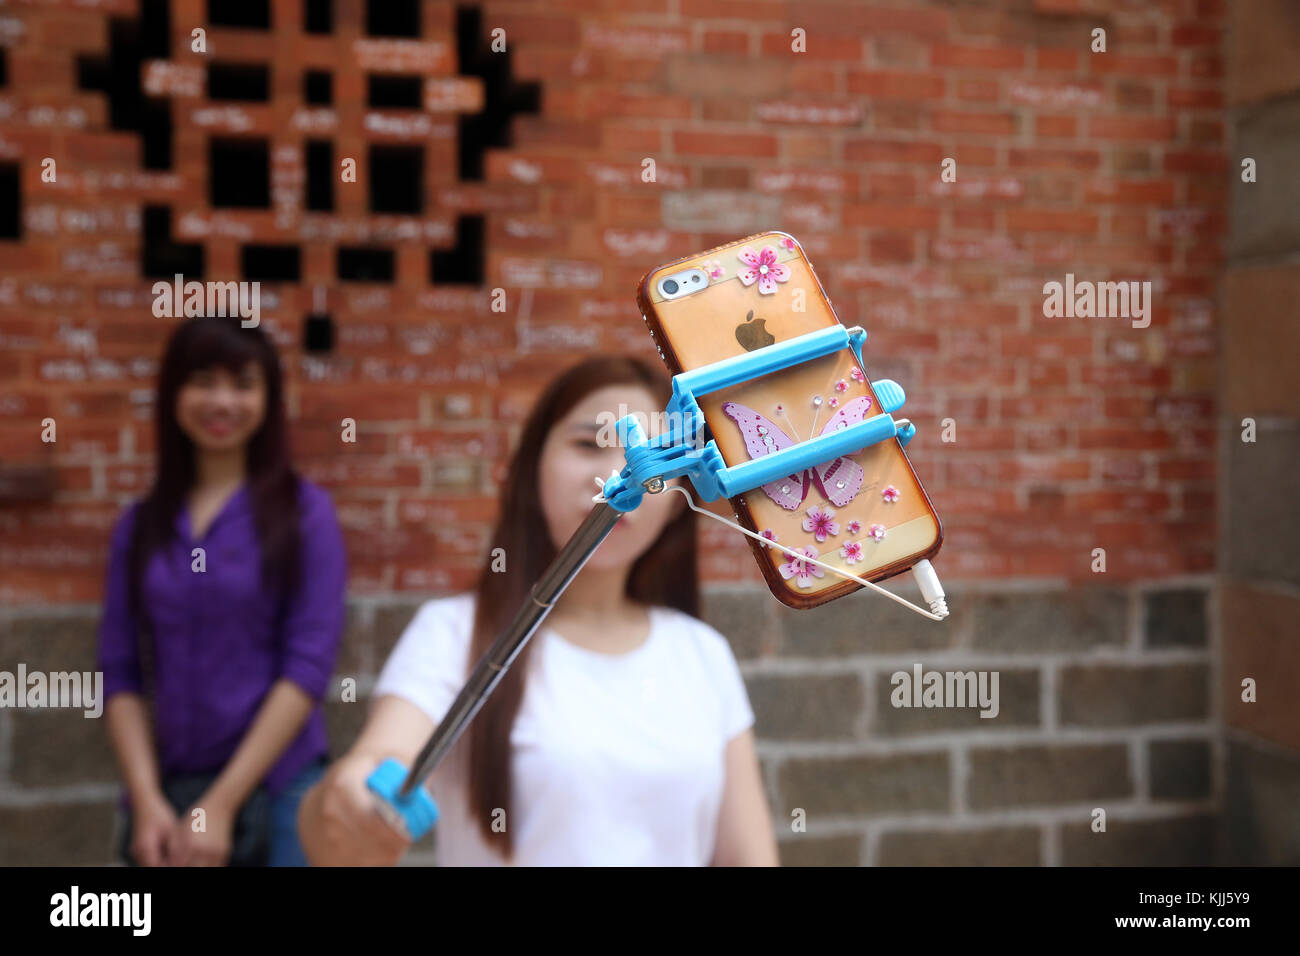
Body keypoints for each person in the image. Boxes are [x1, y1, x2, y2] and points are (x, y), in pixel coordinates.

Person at [299, 354, 778, 865]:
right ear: (532, 468)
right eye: (586, 443)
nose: (622, 473)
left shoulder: (702, 653)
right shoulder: (451, 635)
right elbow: (374, 770)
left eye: (652, 451)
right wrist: (354, 802)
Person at [97, 315, 347, 866]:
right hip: (167, 794)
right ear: (173, 393)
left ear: (268, 399)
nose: (222, 401)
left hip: (281, 789)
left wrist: (221, 804)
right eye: (203, 380)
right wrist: (145, 799)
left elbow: (306, 667)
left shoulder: (306, 515)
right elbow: (119, 670)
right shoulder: (140, 525)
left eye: (242, 384)